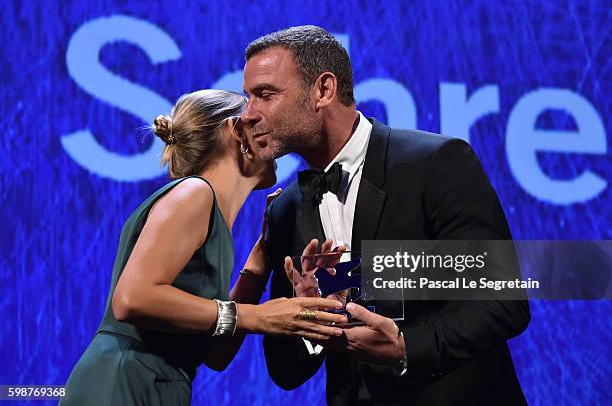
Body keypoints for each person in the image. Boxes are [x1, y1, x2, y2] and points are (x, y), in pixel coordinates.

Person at [242, 26, 531, 405]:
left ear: (323, 91)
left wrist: (405, 347)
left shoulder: (436, 164)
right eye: (248, 98)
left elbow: (504, 304)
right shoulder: (285, 209)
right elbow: (285, 372)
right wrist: (310, 319)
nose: (248, 115)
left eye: (265, 95)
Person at [60, 89, 347, 406]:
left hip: (161, 387)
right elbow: (131, 298)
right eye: (258, 123)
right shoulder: (194, 193)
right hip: (123, 383)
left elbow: (217, 353)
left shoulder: (212, 216)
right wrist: (256, 316)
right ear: (235, 131)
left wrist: (261, 259)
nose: (274, 137)